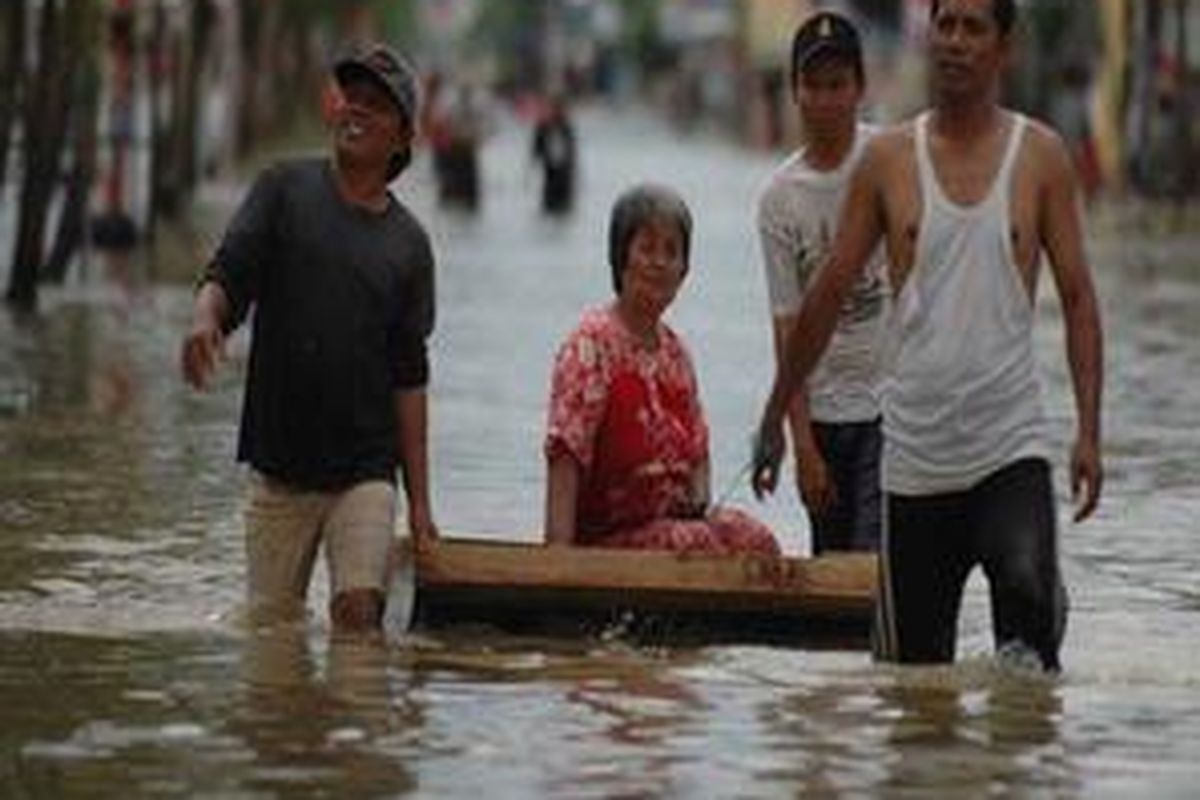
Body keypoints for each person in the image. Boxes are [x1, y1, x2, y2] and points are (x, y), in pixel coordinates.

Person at [751, 0, 1103, 672]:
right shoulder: (886, 161)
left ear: (1005, 48)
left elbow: (1081, 299)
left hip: (1010, 448)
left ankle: (1040, 609)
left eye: (974, 28)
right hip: (914, 467)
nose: (957, 42)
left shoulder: (1042, 158)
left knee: (1027, 652)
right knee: (914, 693)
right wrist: (777, 419)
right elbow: (823, 298)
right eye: (946, 25)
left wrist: (1089, 430)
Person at [180, 43, 438, 633]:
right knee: (271, 635)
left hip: (366, 473)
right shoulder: (282, 191)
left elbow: (410, 378)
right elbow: (228, 275)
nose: (357, 111)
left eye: (376, 105)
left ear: (402, 139)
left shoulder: (409, 247)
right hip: (281, 469)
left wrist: (420, 506)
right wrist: (204, 320)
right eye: (352, 97)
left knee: (357, 618)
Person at [544, 185, 780, 556]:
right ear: (621, 258)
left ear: (684, 270)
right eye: (647, 248)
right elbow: (565, 453)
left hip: (672, 527)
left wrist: (698, 500)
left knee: (757, 541)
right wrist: (558, 553)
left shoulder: (676, 354)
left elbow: (699, 452)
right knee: (697, 543)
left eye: (672, 252)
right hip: (607, 537)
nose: (659, 262)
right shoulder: (590, 345)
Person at [756, 12, 888, 556]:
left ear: (859, 88)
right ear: (795, 92)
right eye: (813, 85)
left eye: (838, 85)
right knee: (832, 575)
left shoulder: (891, 162)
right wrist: (801, 443)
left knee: (873, 571)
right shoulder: (779, 198)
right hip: (824, 418)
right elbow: (788, 329)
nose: (826, 100)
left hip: (892, 413)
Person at [531, 94, 577, 215]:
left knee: (563, 203)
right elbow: (537, 147)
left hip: (564, 172)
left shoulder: (565, 125)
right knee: (550, 201)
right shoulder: (543, 126)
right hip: (551, 169)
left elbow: (571, 150)